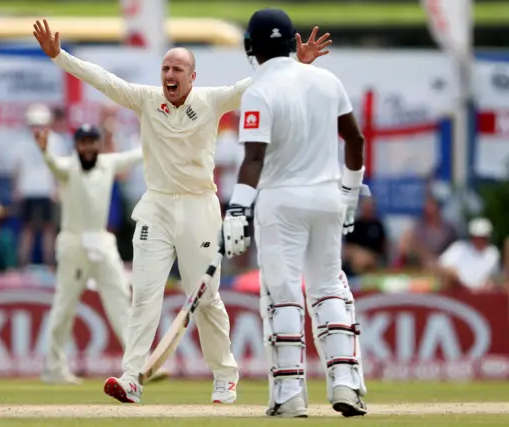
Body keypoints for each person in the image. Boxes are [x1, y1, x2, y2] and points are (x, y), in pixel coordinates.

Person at [33, 18, 331, 404]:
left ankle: (225, 375)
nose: (169, 75)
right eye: (165, 69)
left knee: (204, 296)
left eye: (177, 69)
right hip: (156, 205)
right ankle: (132, 378)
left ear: (192, 76)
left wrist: (296, 63)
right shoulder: (145, 99)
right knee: (144, 295)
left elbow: (257, 84)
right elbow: (104, 80)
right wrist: (60, 57)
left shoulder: (211, 100)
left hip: (198, 206)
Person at [220, 9, 367, 417]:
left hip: (281, 202)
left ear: (250, 46)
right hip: (327, 199)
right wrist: (350, 195)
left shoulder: (259, 91)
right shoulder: (326, 79)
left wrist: (236, 210)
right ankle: (346, 385)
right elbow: (355, 140)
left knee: (283, 295)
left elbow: (254, 157)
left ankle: (289, 394)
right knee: (328, 289)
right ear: (292, 42)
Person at [35, 124, 156, 384]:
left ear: (99, 144)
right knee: (65, 305)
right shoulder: (68, 167)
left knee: (121, 301)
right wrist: (45, 152)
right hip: (73, 244)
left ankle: (139, 365)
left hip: (101, 242)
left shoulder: (107, 164)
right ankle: (55, 369)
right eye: (84, 142)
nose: (88, 147)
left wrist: (161, 139)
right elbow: (54, 165)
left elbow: (138, 155)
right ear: (76, 145)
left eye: (92, 142)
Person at [13, 103, 60, 267]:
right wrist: (17, 188)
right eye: (33, 124)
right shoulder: (22, 141)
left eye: (40, 124)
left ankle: (50, 263)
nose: (36, 128)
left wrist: (57, 188)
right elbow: (18, 168)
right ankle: (22, 264)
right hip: (27, 191)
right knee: (27, 229)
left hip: (48, 191)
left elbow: (59, 167)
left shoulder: (55, 141)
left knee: (49, 228)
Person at [437, 217, 501, 292]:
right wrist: (451, 275)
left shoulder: (492, 253)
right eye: (476, 236)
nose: (479, 240)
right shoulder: (458, 248)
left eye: (482, 237)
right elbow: (440, 265)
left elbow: (494, 279)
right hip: (456, 291)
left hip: (481, 295)